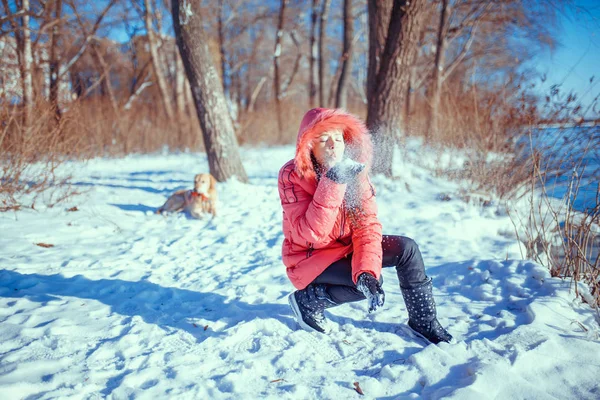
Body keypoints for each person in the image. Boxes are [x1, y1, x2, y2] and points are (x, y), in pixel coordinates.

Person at [277, 108, 452, 344]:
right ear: (308, 144)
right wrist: (333, 181)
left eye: (338, 138)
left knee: (404, 250)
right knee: (361, 287)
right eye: (323, 139)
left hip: (346, 249)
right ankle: (307, 301)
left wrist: (366, 271)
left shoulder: (354, 172)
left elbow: (367, 227)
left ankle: (423, 320)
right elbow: (312, 235)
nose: (332, 145)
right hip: (310, 257)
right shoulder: (291, 176)